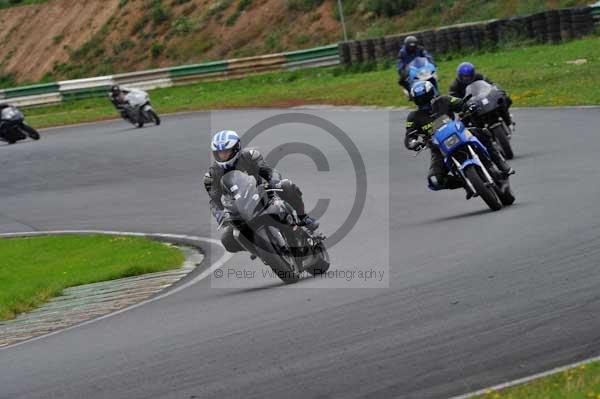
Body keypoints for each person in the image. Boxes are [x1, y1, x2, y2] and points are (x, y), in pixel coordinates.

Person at [203, 130, 319, 253]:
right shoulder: (211, 176)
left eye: (226, 152)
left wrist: (274, 180)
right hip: (238, 211)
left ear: (236, 149)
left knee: (286, 185)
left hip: (262, 196)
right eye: (220, 153)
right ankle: (259, 249)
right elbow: (214, 200)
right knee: (227, 240)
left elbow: (269, 172)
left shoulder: (251, 156)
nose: (223, 156)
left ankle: (303, 218)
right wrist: (219, 213)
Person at [404, 81, 513, 195]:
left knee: (481, 132)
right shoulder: (413, 117)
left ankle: (500, 163)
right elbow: (409, 136)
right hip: (439, 149)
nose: (423, 102)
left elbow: (460, 103)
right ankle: (465, 182)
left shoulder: (444, 100)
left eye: (425, 98)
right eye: (420, 100)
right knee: (435, 181)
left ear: (431, 94)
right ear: (415, 101)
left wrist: (469, 107)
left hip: (459, 133)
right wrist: (413, 143)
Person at [449, 62, 514, 128]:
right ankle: (479, 134)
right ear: (460, 76)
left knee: (504, 99)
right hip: (469, 106)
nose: (467, 78)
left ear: (473, 74)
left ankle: (508, 121)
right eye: (464, 76)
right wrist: (460, 105)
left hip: (483, 99)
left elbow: (491, 84)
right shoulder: (455, 86)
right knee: (464, 122)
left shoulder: (479, 76)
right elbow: (453, 99)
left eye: (469, 76)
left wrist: (497, 89)